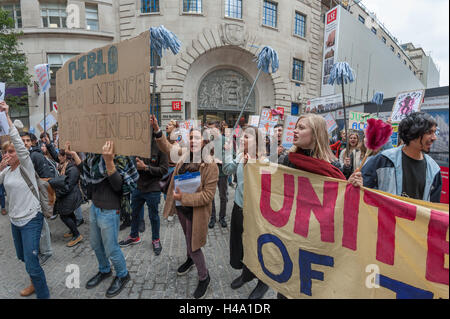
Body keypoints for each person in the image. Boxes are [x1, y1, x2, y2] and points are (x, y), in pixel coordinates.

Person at [151, 115, 218, 299]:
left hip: (196, 212)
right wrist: (157, 130)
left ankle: (204, 276)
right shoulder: (184, 153)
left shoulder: (211, 165)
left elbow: (207, 196)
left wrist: (184, 198)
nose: (193, 140)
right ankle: (190, 259)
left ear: (204, 141)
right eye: (191, 137)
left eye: (197, 138)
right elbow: (167, 147)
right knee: (188, 239)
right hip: (181, 208)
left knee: (195, 245)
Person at [66, 141, 138, 298]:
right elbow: (85, 171)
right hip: (95, 207)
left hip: (110, 209)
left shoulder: (119, 154)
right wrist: (74, 155)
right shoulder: (93, 155)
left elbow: (119, 186)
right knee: (96, 244)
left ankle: (123, 274)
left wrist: (109, 161)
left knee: (111, 247)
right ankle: (105, 270)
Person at [0, 101, 50, 298]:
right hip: (15, 221)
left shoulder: (26, 165)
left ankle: (43, 294)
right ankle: (33, 283)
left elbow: (18, 143)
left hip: (31, 219)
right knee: (23, 257)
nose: (8, 155)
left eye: (11, 152)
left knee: (31, 261)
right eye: (5, 152)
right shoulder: (7, 171)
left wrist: (6, 115)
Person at [223, 126, 270, 300]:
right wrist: (228, 152)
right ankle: (246, 273)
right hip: (238, 207)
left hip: (256, 213)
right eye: (242, 137)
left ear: (257, 142)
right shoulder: (240, 156)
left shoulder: (265, 162)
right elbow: (227, 170)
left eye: (247, 138)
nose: (242, 140)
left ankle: (263, 281)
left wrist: (252, 164)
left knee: (256, 247)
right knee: (240, 243)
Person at [361, 112, 442, 202]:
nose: (434, 138)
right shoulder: (384, 160)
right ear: (413, 133)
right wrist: (355, 182)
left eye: (435, 132)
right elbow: (363, 191)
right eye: (429, 132)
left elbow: (433, 209)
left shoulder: (434, 170)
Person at [119, 135, 168, 256]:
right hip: (138, 186)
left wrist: (146, 167)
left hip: (153, 188)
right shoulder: (136, 145)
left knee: (154, 216)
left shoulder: (161, 146)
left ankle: (156, 239)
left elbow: (164, 170)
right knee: (134, 213)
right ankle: (134, 236)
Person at [19, 131, 53, 266]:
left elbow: (45, 176)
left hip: (36, 196)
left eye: (27, 140)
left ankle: (46, 251)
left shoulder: (34, 156)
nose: (25, 143)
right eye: (22, 141)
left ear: (32, 142)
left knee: (42, 224)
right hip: (26, 197)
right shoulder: (21, 156)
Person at [48, 149, 84, 247]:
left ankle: (77, 235)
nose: (58, 158)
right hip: (67, 196)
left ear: (65, 157)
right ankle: (72, 231)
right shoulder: (64, 165)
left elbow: (68, 186)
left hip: (70, 196)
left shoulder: (72, 169)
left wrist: (56, 188)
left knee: (64, 216)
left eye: (60, 156)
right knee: (69, 214)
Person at [207, 121, 228, 229]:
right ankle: (212, 217)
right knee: (211, 196)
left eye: (212, 129)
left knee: (223, 196)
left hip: (223, 173)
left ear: (218, 129)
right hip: (211, 172)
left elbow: (232, 155)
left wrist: (221, 159)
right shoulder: (209, 141)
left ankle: (222, 217)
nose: (210, 131)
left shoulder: (225, 140)